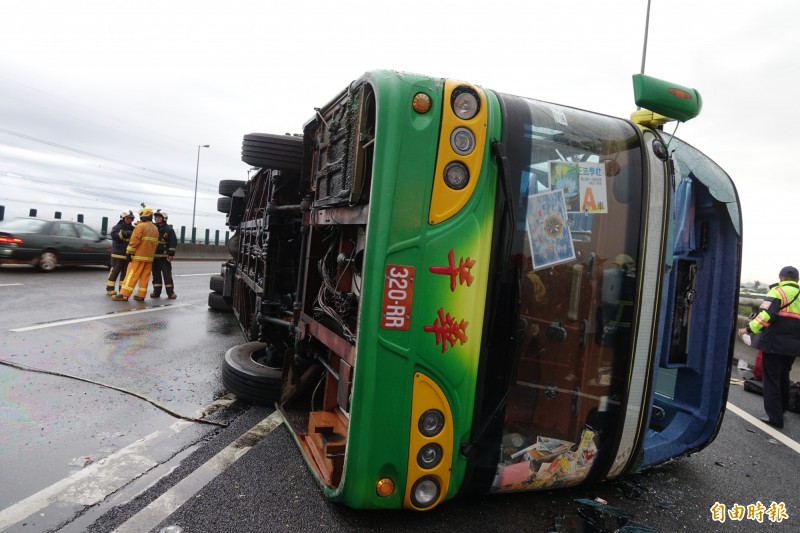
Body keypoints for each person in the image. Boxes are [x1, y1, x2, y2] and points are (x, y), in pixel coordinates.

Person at [738, 265, 800, 429]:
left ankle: (775, 417)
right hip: (793, 346)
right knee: (784, 376)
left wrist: (748, 329)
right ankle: (782, 409)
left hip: (773, 344)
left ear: (781, 278)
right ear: (797, 280)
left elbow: (765, 317)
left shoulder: (777, 292)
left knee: (771, 379)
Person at [112, 206, 160, 302]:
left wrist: (129, 253)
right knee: (144, 277)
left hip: (138, 257)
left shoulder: (139, 227)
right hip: (149, 258)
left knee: (131, 275)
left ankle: (124, 294)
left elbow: (134, 242)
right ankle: (141, 295)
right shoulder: (155, 228)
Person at [150, 209, 178, 299]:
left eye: (159, 217)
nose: (156, 219)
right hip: (154, 257)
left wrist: (171, 253)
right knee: (156, 276)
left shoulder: (169, 229)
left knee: (167, 276)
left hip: (164, 258)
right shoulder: (153, 228)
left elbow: (173, 242)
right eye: (156, 217)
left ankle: (170, 293)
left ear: (164, 218)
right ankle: (156, 292)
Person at [106, 209, 134, 296]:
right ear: (123, 218)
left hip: (127, 255)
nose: (129, 220)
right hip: (117, 254)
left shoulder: (133, 229)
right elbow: (115, 236)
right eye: (128, 218)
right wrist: (125, 233)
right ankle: (110, 289)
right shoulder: (117, 227)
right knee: (114, 271)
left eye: (131, 218)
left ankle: (121, 290)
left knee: (125, 274)